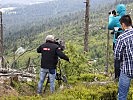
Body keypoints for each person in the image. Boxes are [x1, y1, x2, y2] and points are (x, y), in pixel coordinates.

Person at [114, 15, 133, 100]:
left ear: (123, 24)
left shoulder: (121, 37)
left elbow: (117, 55)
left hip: (126, 70)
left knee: (122, 96)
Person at [108, 4, 126, 78]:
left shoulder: (116, 18)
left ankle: (117, 77)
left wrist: (111, 17)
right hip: (127, 41)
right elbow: (120, 28)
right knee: (125, 59)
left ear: (118, 10)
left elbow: (109, 26)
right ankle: (125, 76)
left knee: (117, 60)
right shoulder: (127, 18)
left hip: (117, 42)